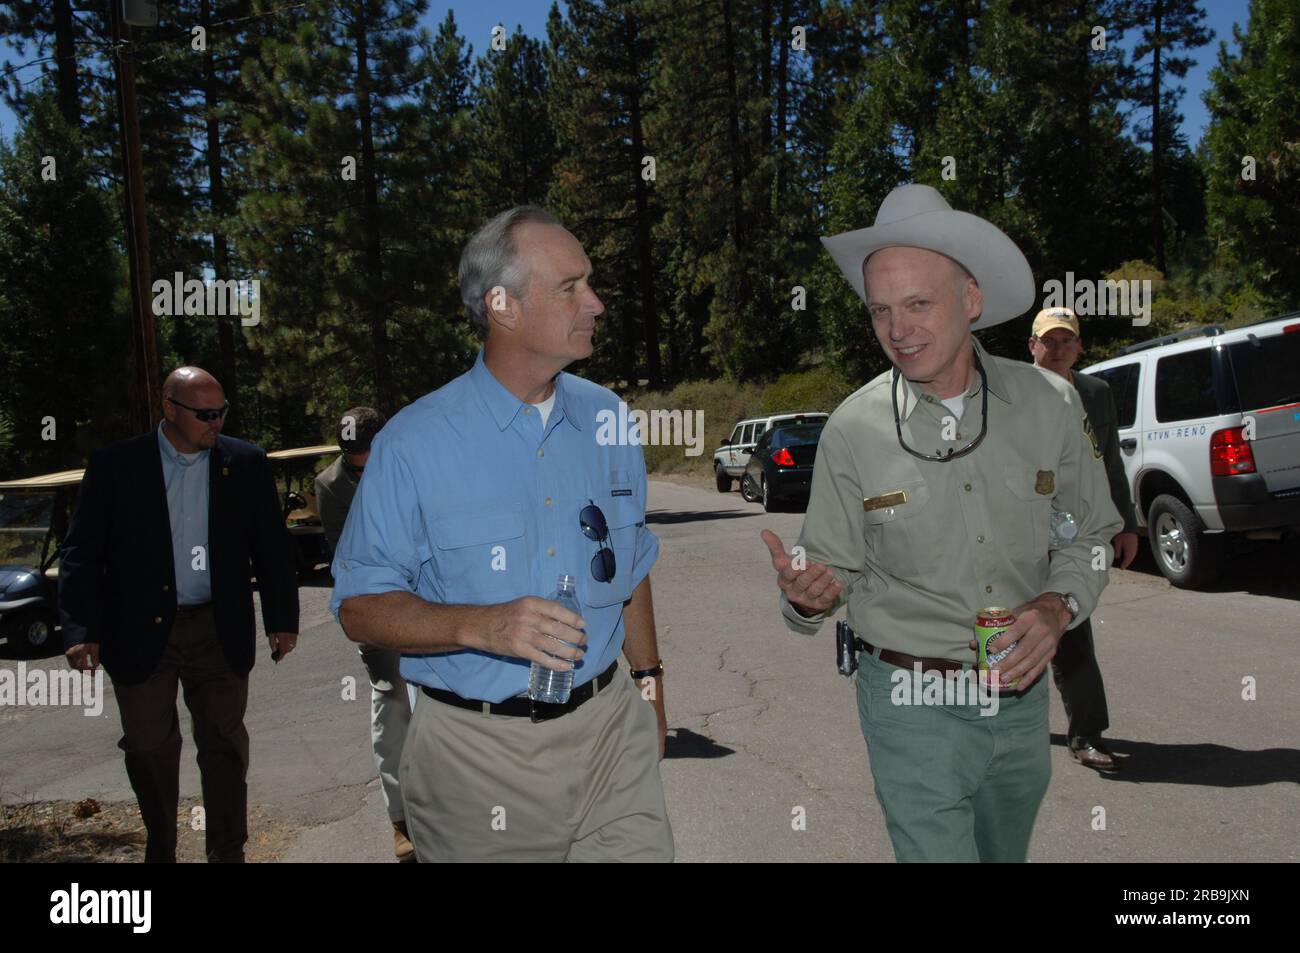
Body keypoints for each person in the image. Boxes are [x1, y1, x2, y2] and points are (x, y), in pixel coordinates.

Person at [761, 184, 1123, 862]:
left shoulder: (1049, 404)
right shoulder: (852, 430)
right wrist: (805, 595)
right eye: (881, 311)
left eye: (918, 303)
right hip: (908, 700)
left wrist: (1057, 603)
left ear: (971, 300)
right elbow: (824, 569)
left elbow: (1093, 537)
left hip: (1017, 702)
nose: (897, 329)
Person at [330, 205, 672, 862]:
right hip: (475, 762)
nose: (595, 302)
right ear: (502, 305)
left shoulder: (609, 418)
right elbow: (359, 607)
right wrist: (479, 625)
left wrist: (650, 686)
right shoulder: (412, 444)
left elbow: (630, 565)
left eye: (590, 282)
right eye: (571, 286)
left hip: (611, 739)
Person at [58, 366, 299, 862]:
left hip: (218, 628)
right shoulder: (116, 466)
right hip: (139, 633)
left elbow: (271, 548)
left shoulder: (245, 463)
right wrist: (82, 629)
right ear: (170, 410)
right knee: (148, 747)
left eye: (222, 412)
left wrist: (282, 619)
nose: (217, 422)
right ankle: (161, 847)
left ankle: (228, 852)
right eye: (205, 414)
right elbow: (81, 553)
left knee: (224, 745)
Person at [1029, 306, 1139, 772]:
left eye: (1066, 340)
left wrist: (1127, 524)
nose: (1057, 349)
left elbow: (1110, 462)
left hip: (1073, 532)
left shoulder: (1096, 393)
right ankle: (992, 727)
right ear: (1031, 345)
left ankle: (1087, 734)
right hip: (1015, 530)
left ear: (1078, 346)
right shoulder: (1009, 393)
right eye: (1048, 340)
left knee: (1072, 628)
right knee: (1000, 631)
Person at [315, 406, 416, 861]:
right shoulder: (330, 486)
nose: (361, 470)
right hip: (376, 605)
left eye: (368, 459)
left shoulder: (416, 456)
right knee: (392, 701)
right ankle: (402, 820)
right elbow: (347, 556)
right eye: (353, 462)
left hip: (433, 596)